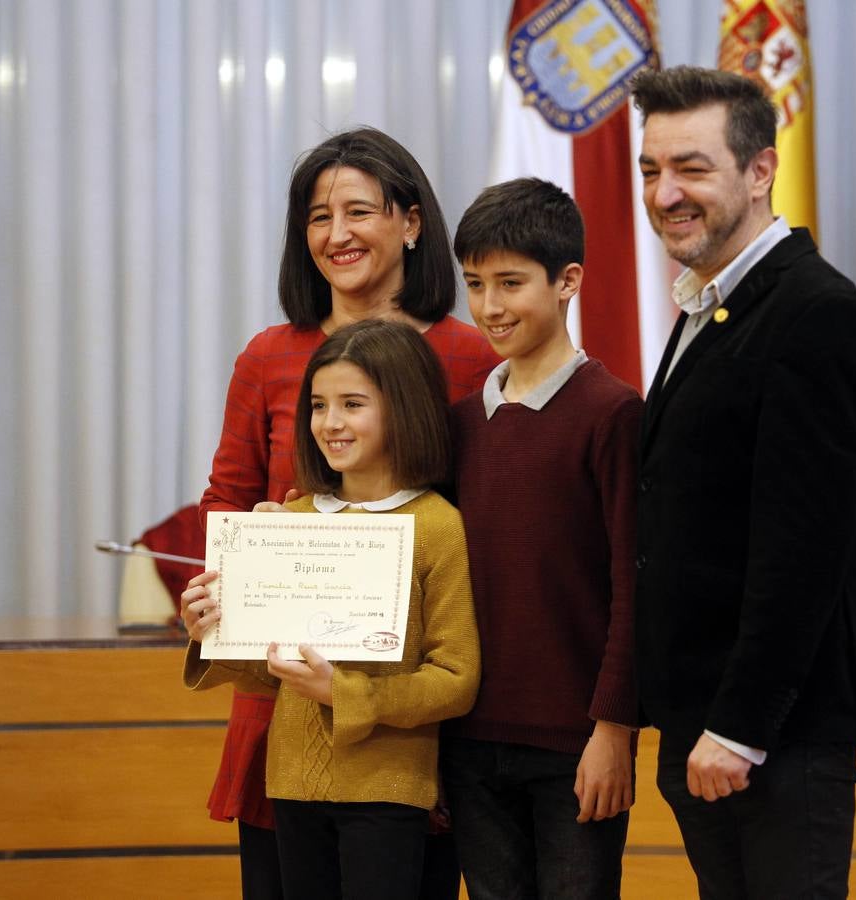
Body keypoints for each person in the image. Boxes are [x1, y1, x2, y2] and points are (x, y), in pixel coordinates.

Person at [189, 127, 497, 898]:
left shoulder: (471, 357)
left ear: (411, 221)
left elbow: (485, 525)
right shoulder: (269, 355)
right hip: (289, 711)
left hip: (413, 727)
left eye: (359, 211)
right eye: (318, 217)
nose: (337, 235)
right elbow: (227, 498)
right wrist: (227, 586)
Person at [629, 66, 856, 899]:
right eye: (649, 169)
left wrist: (740, 729)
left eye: (691, 168)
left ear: (760, 170)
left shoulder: (817, 314)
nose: (664, 192)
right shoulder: (708, 305)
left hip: (772, 736)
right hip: (705, 725)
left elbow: (803, 552)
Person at [182, 318, 481, 899]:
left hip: (390, 790)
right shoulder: (288, 521)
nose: (330, 423)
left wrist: (345, 693)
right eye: (318, 405)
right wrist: (209, 629)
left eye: (352, 404)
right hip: (291, 785)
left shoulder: (438, 526)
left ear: (404, 409)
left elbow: (456, 680)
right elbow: (269, 671)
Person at [440, 177, 641, 900]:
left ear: (568, 281)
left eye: (510, 283)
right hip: (469, 741)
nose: (490, 307)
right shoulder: (462, 424)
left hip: (574, 746)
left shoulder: (612, 413)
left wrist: (614, 730)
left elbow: (634, 583)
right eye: (475, 284)